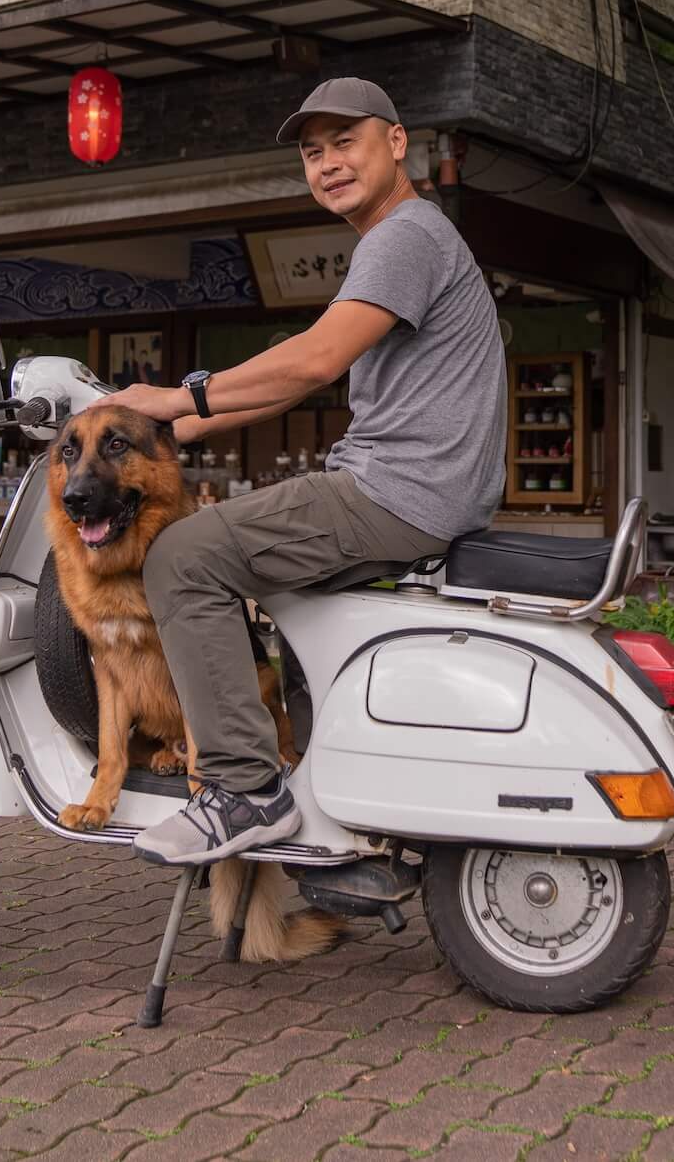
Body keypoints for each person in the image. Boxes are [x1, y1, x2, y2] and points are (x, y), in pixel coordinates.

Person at [110, 77, 505, 865]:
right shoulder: (401, 240)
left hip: (397, 492)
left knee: (182, 555)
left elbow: (311, 361)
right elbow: (288, 380)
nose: (327, 164)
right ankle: (331, 796)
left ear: (396, 143)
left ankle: (242, 789)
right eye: (311, 151)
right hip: (422, 493)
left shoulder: (405, 235)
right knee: (287, 603)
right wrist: (172, 423)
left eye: (344, 142)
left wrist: (171, 392)